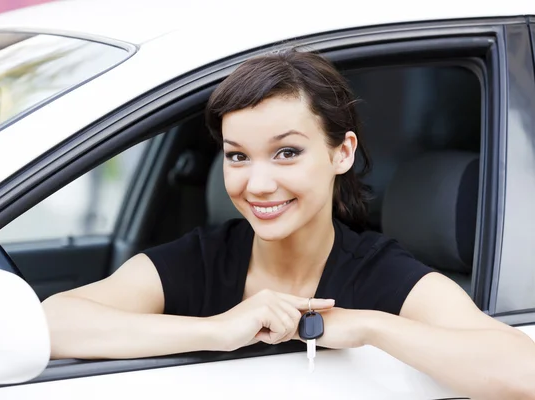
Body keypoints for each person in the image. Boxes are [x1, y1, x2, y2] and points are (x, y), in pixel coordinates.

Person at [42, 48, 535, 399]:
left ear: (341, 152)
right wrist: (217, 330)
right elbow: (53, 323)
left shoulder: (382, 275)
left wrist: (369, 327)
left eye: (287, 153)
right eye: (238, 156)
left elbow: (524, 371)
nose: (257, 184)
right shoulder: (202, 259)